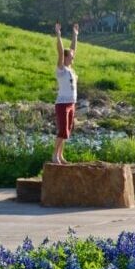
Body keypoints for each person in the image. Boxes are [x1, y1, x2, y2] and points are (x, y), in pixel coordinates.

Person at [52, 22, 79, 164]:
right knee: (62, 130)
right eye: (71, 57)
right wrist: (58, 35)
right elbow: (62, 52)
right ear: (66, 58)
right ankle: (54, 155)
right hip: (62, 103)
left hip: (72, 103)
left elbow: (72, 49)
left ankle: (61, 155)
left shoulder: (71, 70)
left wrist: (75, 35)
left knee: (67, 131)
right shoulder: (61, 70)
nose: (73, 58)